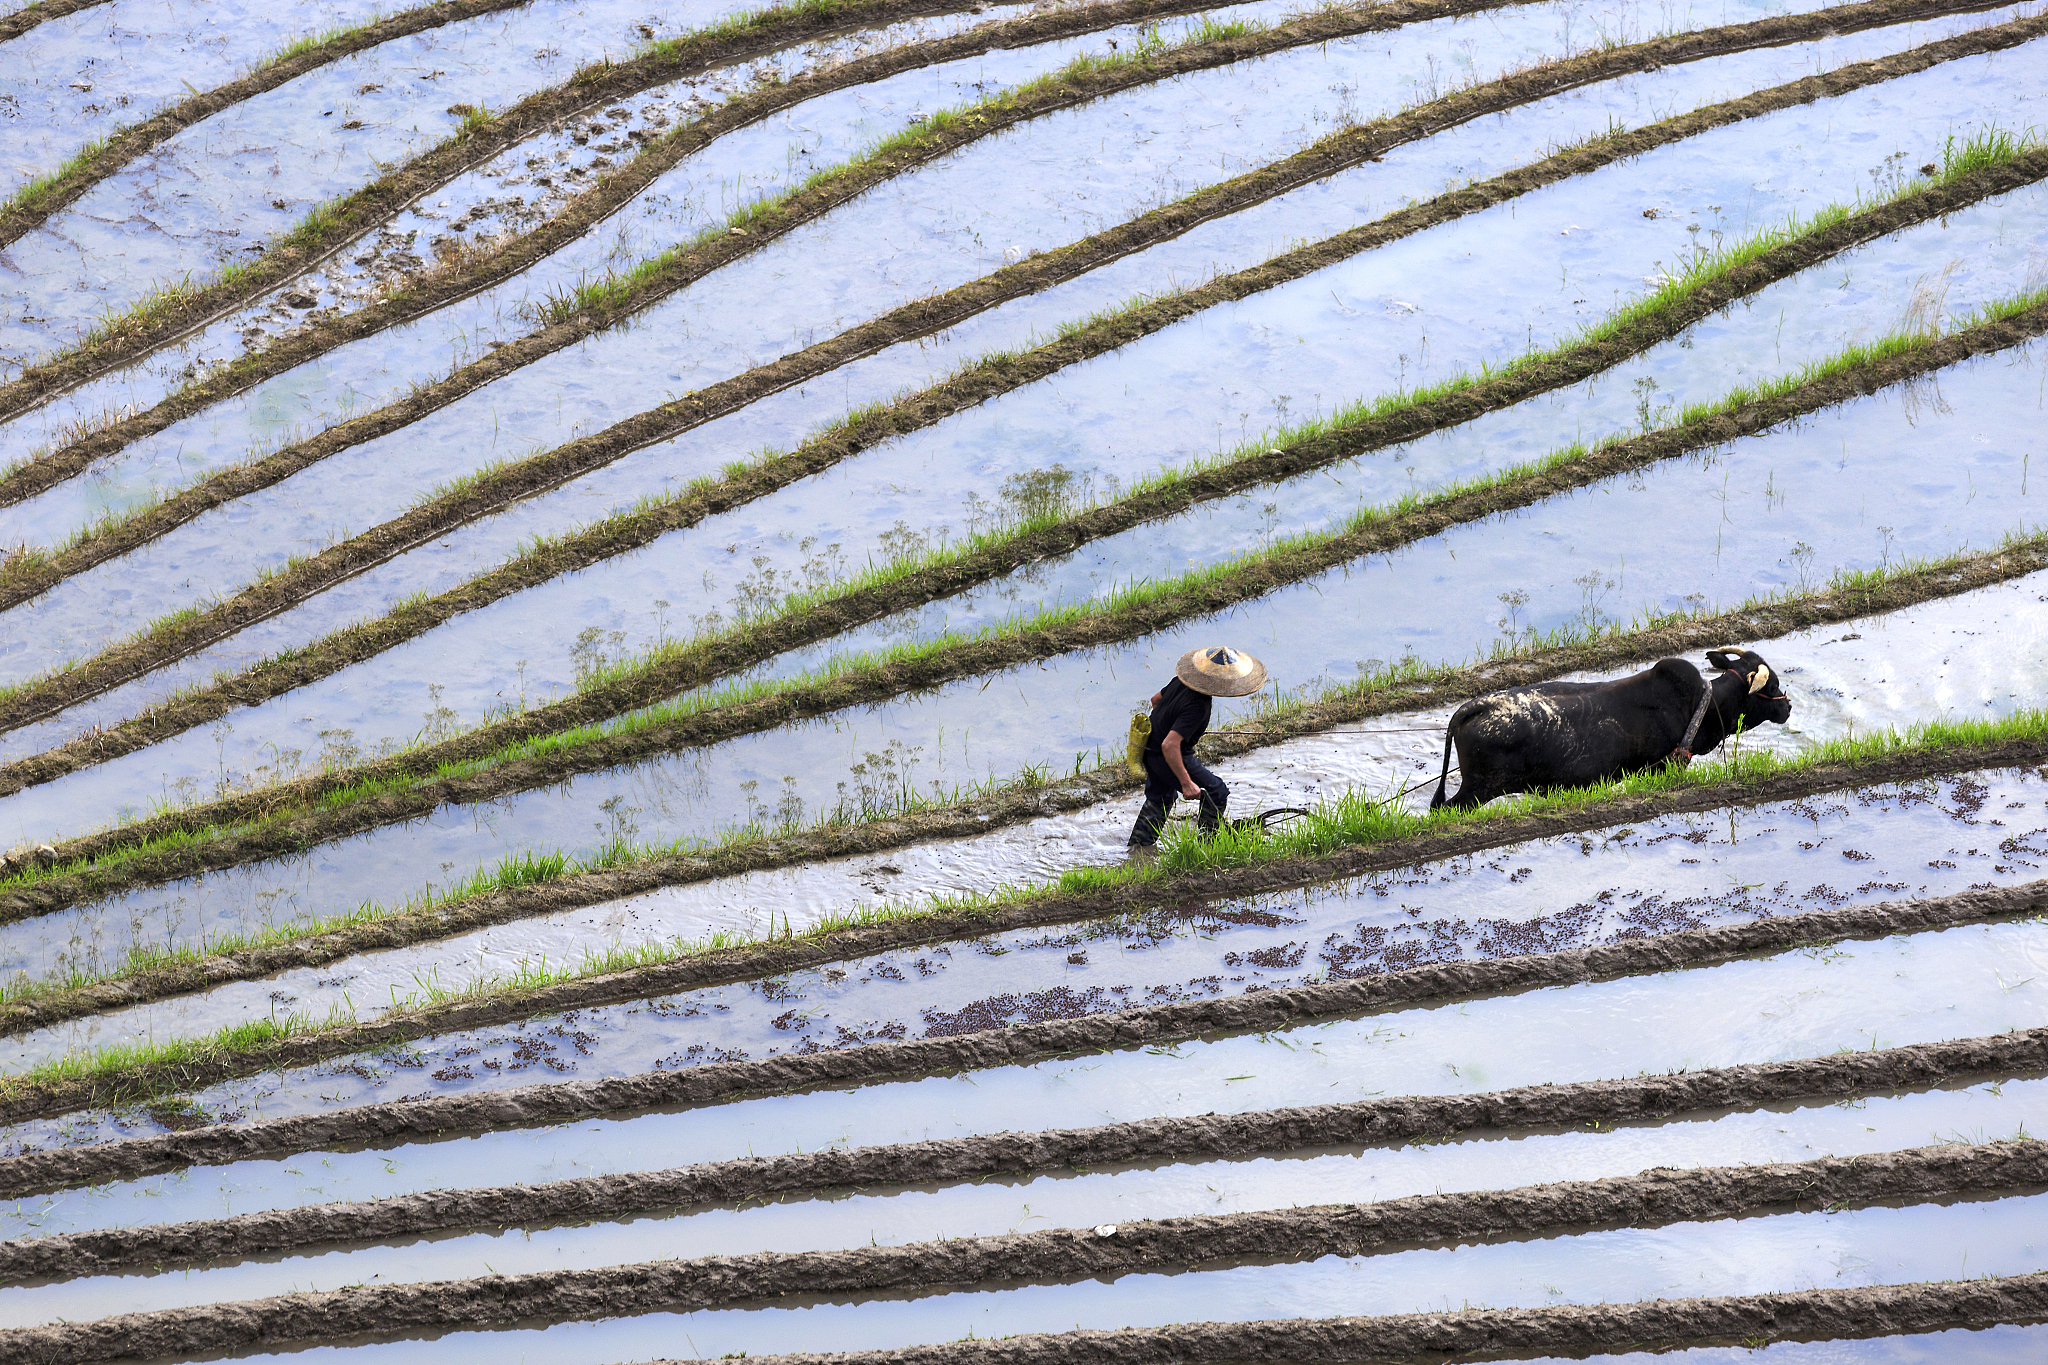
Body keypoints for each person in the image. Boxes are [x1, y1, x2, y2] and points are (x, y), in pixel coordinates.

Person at [1127, 644, 1268, 848]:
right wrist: (1186, 783)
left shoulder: (1181, 682)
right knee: (1216, 792)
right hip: (1165, 754)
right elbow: (1170, 745)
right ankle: (1207, 847)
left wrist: (1169, 724)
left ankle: (1138, 847)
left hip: (1149, 750)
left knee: (1162, 796)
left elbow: (1155, 700)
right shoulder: (1198, 705)